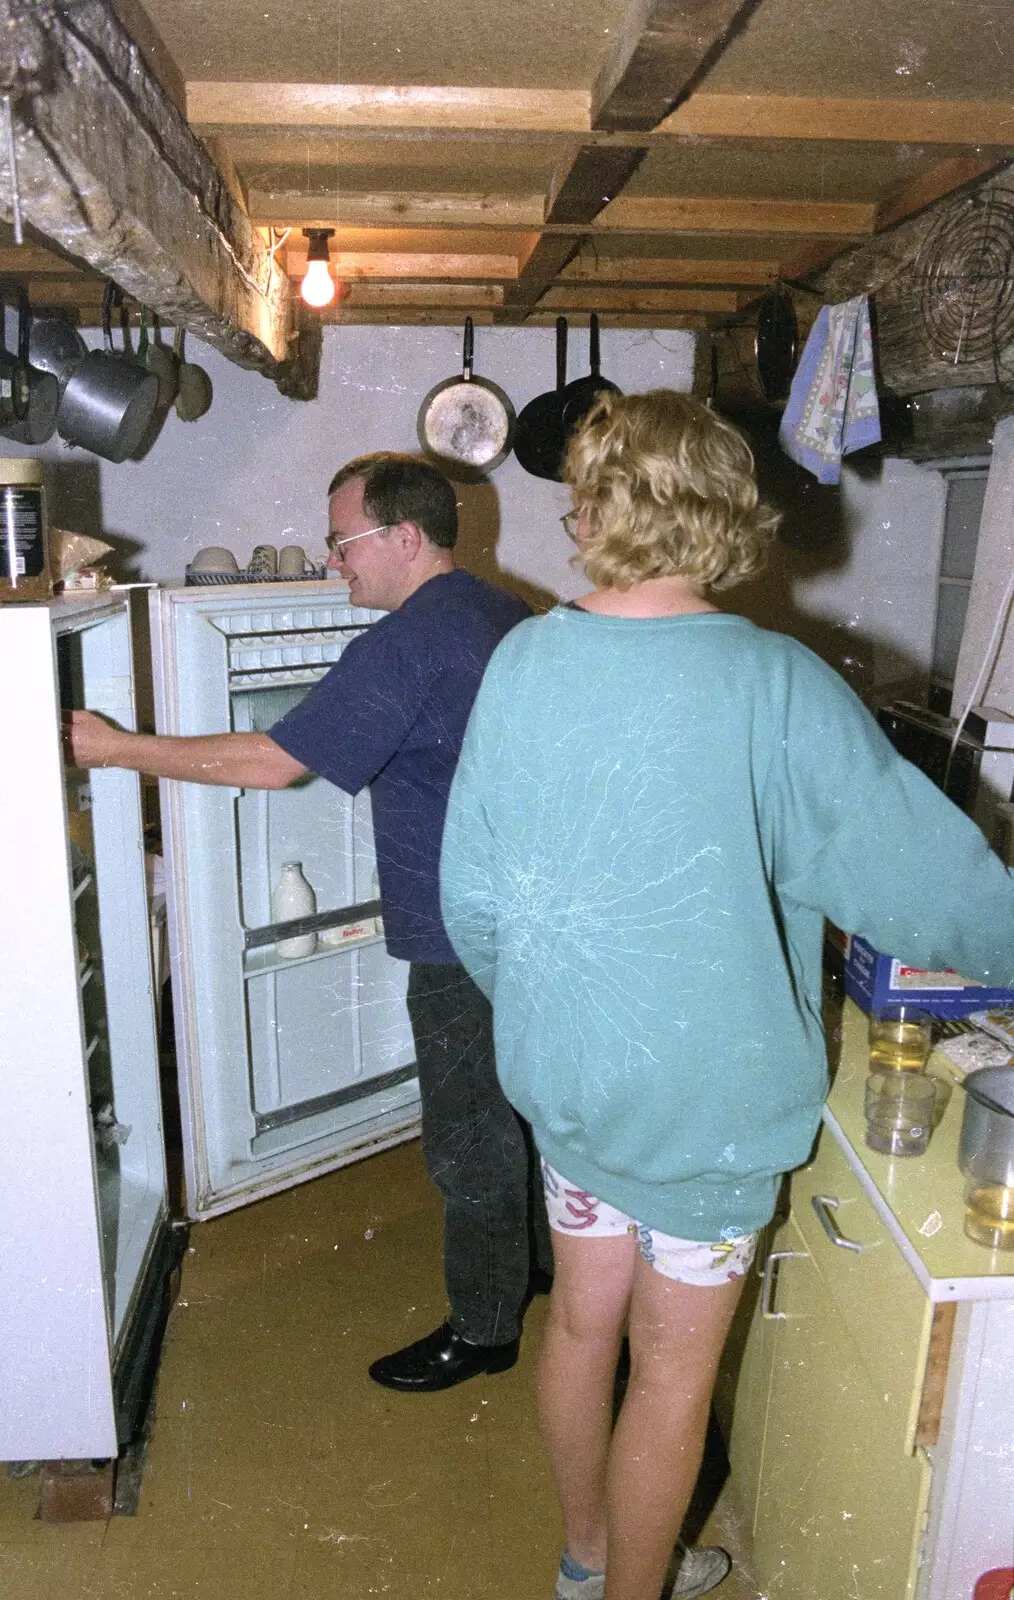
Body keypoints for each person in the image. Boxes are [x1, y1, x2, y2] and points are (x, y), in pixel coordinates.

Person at [438, 390, 1014, 1600]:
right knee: (673, 1376)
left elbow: (476, 902)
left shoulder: (526, 659)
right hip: (703, 1110)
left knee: (584, 1323)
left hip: (571, 1081)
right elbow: (922, 881)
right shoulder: (772, 681)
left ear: (589, 510)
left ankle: (587, 1560)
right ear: (726, 515)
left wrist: (553, 1012)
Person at [66, 451, 553, 1394]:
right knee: (516, 1106)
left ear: (405, 539)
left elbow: (272, 761)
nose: (336, 564)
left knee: (466, 1133)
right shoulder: (499, 609)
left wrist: (118, 748)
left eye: (344, 543)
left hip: (461, 928)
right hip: (525, 912)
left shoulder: (407, 642)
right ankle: (526, 1266)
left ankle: (485, 1327)